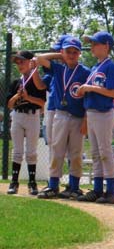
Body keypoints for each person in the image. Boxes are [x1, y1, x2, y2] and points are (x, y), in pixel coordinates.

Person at [35, 36, 91, 200]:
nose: (72, 55)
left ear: (80, 54)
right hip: (60, 114)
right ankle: (53, 185)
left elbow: (88, 98)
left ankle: (74, 186)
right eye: (68, 51)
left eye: (75, 52)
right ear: (62, 52)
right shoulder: (59, 69)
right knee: (57, 150)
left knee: (76, 152)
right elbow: (39, 59)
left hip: (78, 116)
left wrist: (86, 119)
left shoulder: (85, 72)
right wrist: (60, 55)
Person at [76, 31, 114, 204]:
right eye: (91, 44)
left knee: (104, 151)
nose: (92, 47)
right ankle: (97, 189)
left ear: (106, 46)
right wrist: (85, 90)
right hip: (92, 112)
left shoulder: (110, 66)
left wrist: (91, 88)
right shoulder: (95, 67)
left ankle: (110, 191)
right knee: (95, 152)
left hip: (104, 113)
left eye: (95, 44)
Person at [6, 50, 47, 195]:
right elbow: (9, 104)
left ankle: (32, 183)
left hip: (33, 116)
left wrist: (28, 98)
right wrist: (18, 95)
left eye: (22, 61)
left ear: (31, 63)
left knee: (31, 152)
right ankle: (14, 182)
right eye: (17, 62)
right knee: (17, 151)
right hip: (17, 116)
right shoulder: (16, 82)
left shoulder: (37, 82)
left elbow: (42, 102)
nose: (19, 64)